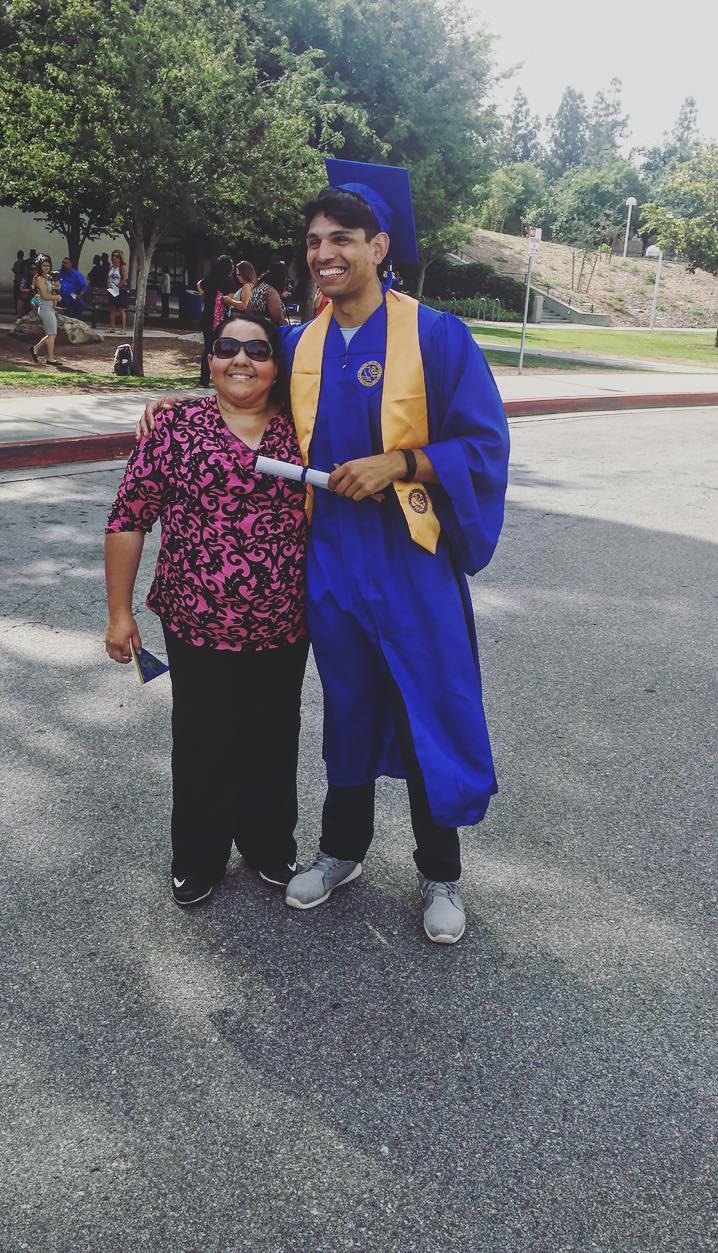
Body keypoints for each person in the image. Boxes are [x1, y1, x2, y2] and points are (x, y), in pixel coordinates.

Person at [139, 160, 509, 945]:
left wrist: (400, 462)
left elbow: (483, 443)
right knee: (347, 705)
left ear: (379, 246)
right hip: (331, 558)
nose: (323, 253)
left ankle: (439, 872)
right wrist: (169, 405)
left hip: (411, 556)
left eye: (341, 238)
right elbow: (240, 388)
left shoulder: (436, 336)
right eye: (313, 241)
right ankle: (342, 850)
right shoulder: (299, 342)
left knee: (423, 709)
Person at [104, 312, 309, 906]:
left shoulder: (305, 426)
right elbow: (128, 518)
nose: (241, 359)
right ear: (209, 358)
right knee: (203, 737)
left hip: (285, 621)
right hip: (196, 620)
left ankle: (270, 845)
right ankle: (199, 855)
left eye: (258, 350)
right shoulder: (174, 427)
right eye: (226, 347)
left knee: (274, 735)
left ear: (278, 365)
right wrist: (120, 613)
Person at [197, 255, 235, 387]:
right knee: (221, 349)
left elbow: (199, 285)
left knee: (208, 349)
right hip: (220, 319)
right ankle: (220, 379)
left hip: (206, 317)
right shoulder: (228, 282)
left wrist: (205, 294)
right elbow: (229, 299)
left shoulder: (209, 278)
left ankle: (203, 380)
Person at [29, 254, 61, 365]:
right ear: (39, 266)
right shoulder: (39, 279)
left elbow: (52, 290)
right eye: (44, 265)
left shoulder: (47, 278)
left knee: (52, 334)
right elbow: (44, 296)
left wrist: (56, 287)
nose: (46, 267)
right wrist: (57, 297)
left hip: (50, 308)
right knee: (52, 334)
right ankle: (51, 359)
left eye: (48, 265)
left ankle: (35, 349)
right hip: (44, 308)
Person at [247, 259, 290, 325]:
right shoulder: (271, 292)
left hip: (255, 327)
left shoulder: (259, 286)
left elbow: (248, 309)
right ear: (281, 278)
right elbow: (278, 318)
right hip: (268, 331)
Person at [106, 250, 128, 334]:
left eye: (117, 256)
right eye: (113, 256)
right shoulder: (112, 267)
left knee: (121, 309)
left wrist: (117, 287)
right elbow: (109, 278)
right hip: (111, 289)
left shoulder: (122, 267)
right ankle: (112, 327)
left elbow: (124, 279)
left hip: (120, 289)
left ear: (120, 258)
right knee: (112, 308)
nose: (114, 258)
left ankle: (123, 328)